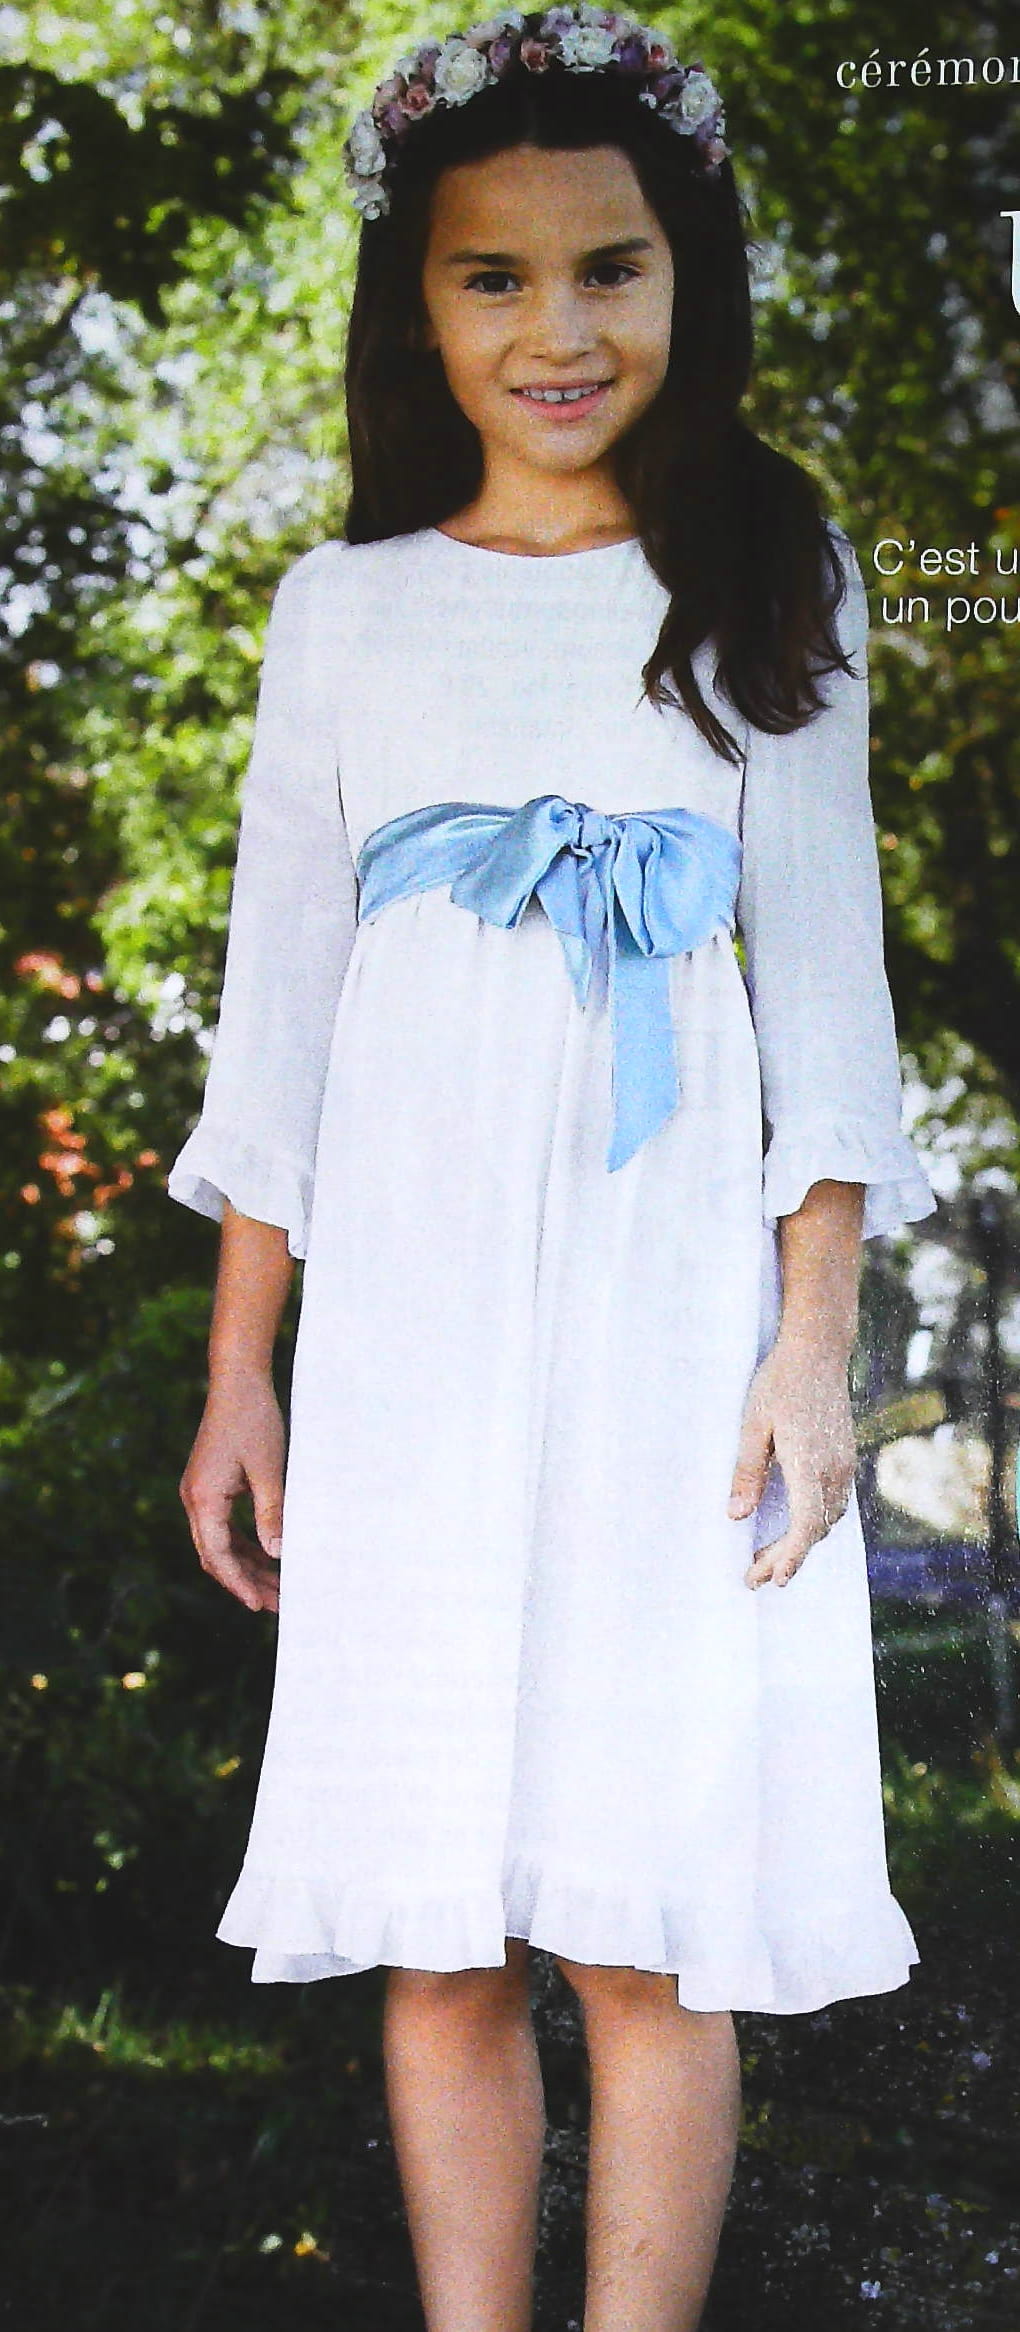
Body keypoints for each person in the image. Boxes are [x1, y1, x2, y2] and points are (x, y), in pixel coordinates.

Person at [168, 11, 938, 2329]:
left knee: (639, 1916)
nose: (557, 327)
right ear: (420, 307)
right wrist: (242, 1371)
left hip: (663, 1323)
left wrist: (810, 1347)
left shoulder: (767, 575)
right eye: (493, 277)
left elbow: (831, 1006)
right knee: (441, 1927)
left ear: (685, 280)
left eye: (611, 268)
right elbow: (280, 1026)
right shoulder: (348, 611)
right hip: (411, 1334)